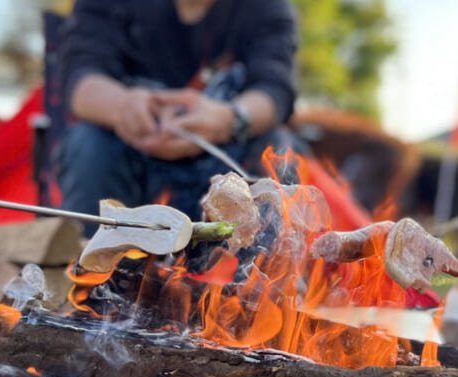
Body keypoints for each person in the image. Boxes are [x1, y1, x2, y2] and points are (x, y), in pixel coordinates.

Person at [55, 0, 298, 236]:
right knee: (89, 143)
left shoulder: (265, 6)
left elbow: (275, 90)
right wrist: (123, 107)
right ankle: (93, 268)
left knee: (278, 150)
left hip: (226, 164)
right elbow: (80, 77)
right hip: (129, 157)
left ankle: (264, 273)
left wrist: (228, 120)